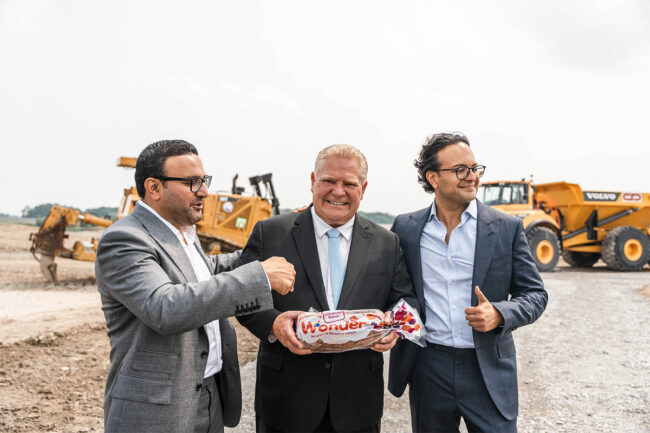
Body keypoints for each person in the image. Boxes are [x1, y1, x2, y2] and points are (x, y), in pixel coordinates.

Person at [95, 140, 296, 433]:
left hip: (208, 398)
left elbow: (208, 272)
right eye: (192, 182)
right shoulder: (125, 239)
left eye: (204, 181)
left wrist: (276, 240)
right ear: (153, 187)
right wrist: (259, 277)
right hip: (156, 411)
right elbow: (164, 307)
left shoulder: (182, 232)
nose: (204, 191)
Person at [237, 144, 418, 433]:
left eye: (349, 184)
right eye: (329, 181)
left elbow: (406, 299)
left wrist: (395, 327)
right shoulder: (270, 233)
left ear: (364, 188)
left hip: (357, 403)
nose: (338, 191)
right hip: (287, 401)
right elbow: (242, 297)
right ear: (312, 181)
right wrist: (273, 324)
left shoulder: (387, 243)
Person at [388, 132, 548, 433]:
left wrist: (501, 313)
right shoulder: (406, 228)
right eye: (461, 169)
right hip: (427, 366)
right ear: (433, 178)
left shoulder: (506, 228)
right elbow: (394, 287)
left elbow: (535, 294)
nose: (472, 177)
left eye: (475, 169)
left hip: (486, 367)